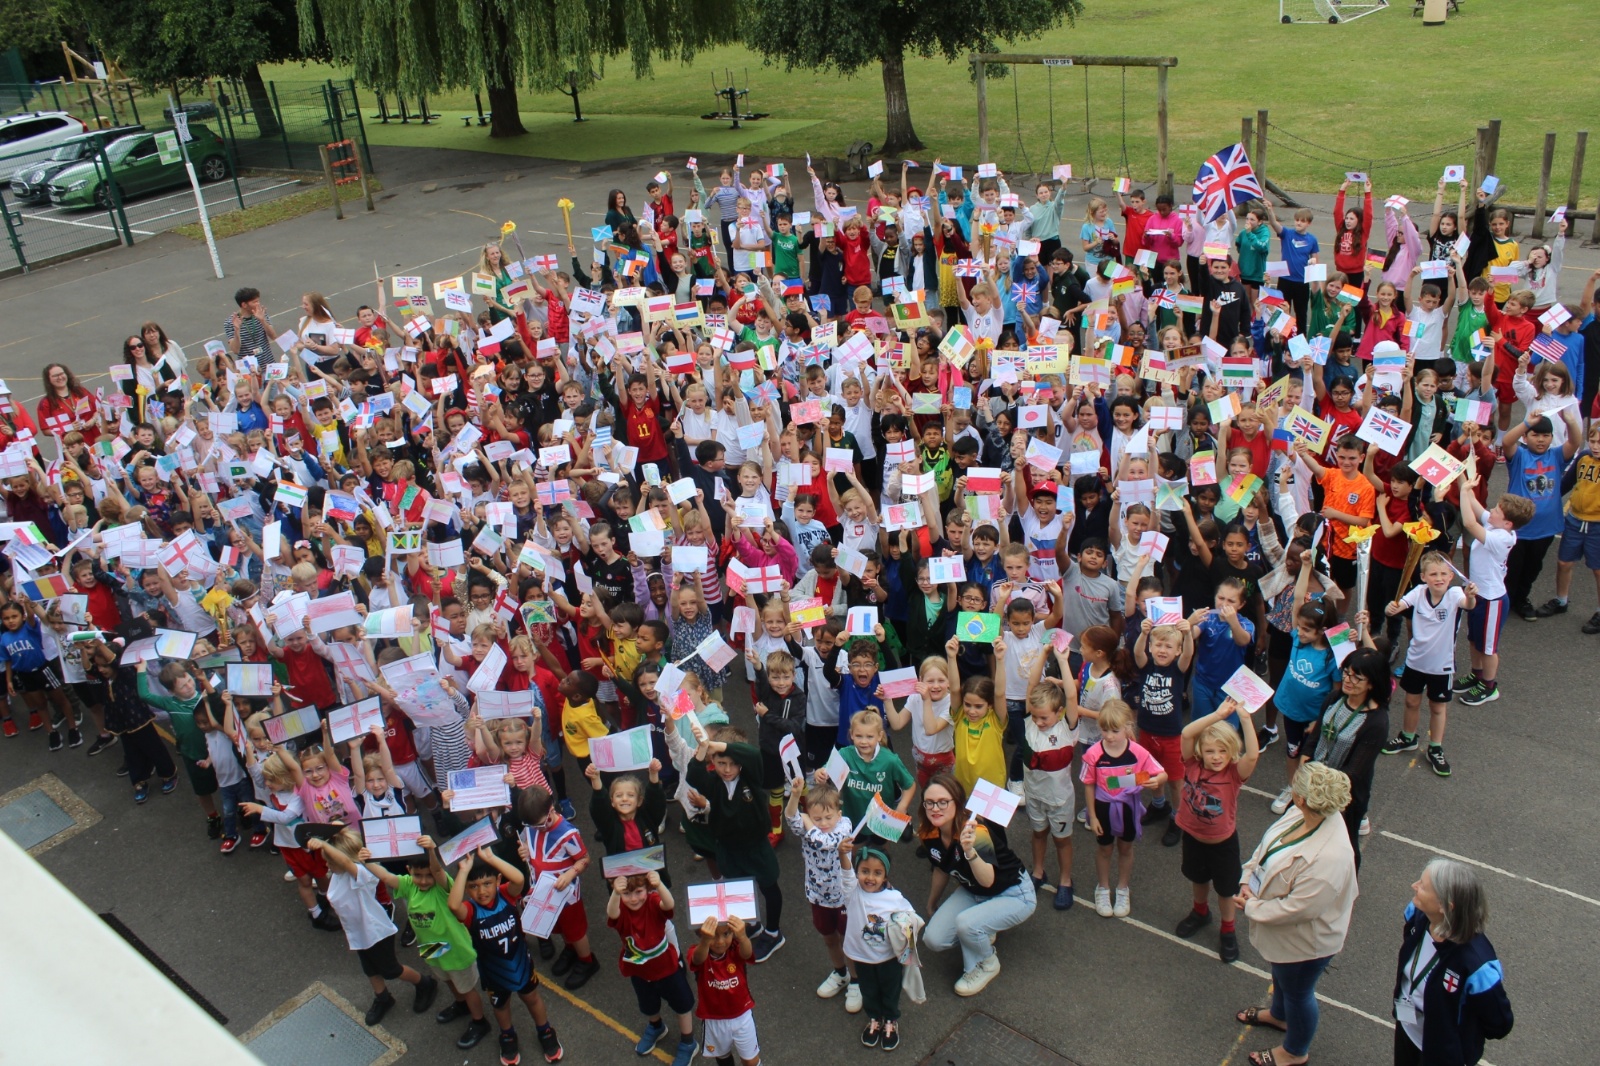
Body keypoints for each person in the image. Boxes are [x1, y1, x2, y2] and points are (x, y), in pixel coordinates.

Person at [1234, 762, 1359, 1066]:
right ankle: (1279, 1016)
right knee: (1282, 978)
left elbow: (1299, 909)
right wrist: (1247, 878)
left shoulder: (1330, 857)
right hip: (1284, 933)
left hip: (1305, 943)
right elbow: (1267, 847)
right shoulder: (1303, 814)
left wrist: (1251, 907)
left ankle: (1294, 1052)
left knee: (1299, 993)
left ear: (1301, 798)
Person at [915, 772, 1036, 997]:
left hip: (1013, 893)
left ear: (957, 802)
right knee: (933, 939)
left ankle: (987, 963)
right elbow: (940, 868)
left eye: (943, 802)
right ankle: (983, 925)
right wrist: (932, 903)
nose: (935, 808)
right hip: (974, 891)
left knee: (966, 924)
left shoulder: (976, 833)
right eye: (929, 802)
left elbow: (987, 881)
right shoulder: (927, 831)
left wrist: (970, 852)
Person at [367, 835, 492, 1050]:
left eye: (428, 876)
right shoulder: (409, 885)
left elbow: (437, 870)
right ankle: (461, 1005)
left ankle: (480, 1022)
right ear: (409, 870)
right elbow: (386, 877)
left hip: (457, 950)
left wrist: (432, 850)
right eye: (418, 875)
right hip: (432, 950)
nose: (424, 880)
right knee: (448, 980)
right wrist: (366, 861)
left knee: (467, 988)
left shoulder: (442, 887)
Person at [447, 847, 565, 1064]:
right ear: (466, 888)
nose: (481, 891)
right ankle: (508, 1035)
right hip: (493, 971)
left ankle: (545, 1031)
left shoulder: (506, 895)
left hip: (521, 964)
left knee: (531, 998)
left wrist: (491, 857)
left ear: (498, 880)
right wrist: (463, 871)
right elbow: (453, 905)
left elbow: (519, 878)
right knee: (500, 1005)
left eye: (487, 883)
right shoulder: (470, 910)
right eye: (473, 886)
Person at [308, 827, 436, 1027]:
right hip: (358, 933)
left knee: (391, 969)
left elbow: (345, 862)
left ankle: (424, 983)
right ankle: (383, 997)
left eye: (330, 861)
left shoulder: (362, 873)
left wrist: (324, 844)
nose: (327, 864)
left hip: (376, 933)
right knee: (369, 968)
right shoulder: (339, 875)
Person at [1392, 860, 1514, 1066]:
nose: (1414, 886)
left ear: (1445, 906)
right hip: (1407, 1032)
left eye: (1423, 886)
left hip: (1443, 1057)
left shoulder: (1477, 965)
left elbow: (1500, 1023)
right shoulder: (1417, 916)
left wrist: (1455, 1036)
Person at [1174, 697, 1259, 962]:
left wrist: (1245, 718)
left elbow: (1252, 755)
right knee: (1198, 879)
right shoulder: (1192, 764)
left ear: (1231, 751)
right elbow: (1187, 733)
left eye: (1223, 751)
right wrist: (1218, 715)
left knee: (1226, 890)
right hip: (1193, 838)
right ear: (1200, 751)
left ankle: (1228, 929)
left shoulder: (1233, 774)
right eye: (1210, 751)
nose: (1216, 756)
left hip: (1223, 844)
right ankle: (1200, 912)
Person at [607, 872, 699, 1066]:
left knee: (682, 1005)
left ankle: (688, 1042)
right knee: (648, 1004)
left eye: (639, 891)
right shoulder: (620, 908)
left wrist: (660, 885)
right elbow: (612, 914)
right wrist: (615, 892)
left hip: (666, 967)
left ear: (648, 889)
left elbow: (669, 904)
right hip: (639, 969)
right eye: (626, 893)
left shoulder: (653, 901)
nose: (633, 899)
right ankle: (656, 1027)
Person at [837, 839, 919, 1052]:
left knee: (890, 990)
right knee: (868, 990)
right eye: (864, 871)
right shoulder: (852, 893)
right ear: (857, 872)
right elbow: (846, 874)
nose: (870, 878)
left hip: (888, 957)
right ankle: (874, 1018)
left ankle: (890, 1020)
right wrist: (842, 854)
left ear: (886, 876)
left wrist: (909, 949)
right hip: (861, 957)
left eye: (877, 873)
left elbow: (911, 919)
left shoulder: (894, 898)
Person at [689, 913, 760, 1066]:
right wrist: (705, 941)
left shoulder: (736, 948)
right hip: (714, 1019)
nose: (720, 941)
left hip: (742, 1017)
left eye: (726, 934)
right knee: (722, 1057)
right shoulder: (698, 951)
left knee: (751, 1061)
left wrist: (743, 937)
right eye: (713, 935)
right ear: (702, 934)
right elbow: (697, 959)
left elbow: (747, 953)